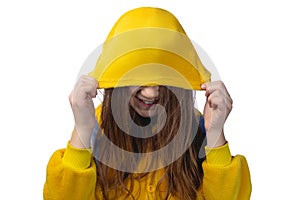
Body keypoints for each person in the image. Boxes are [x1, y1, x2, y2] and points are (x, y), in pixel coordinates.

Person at [44, 7, 251, 200]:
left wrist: (215, 134)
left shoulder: (197, 130)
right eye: (137, 79)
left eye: (162, 80)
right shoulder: (96, 131)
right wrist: (82, 131)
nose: (151, 93)